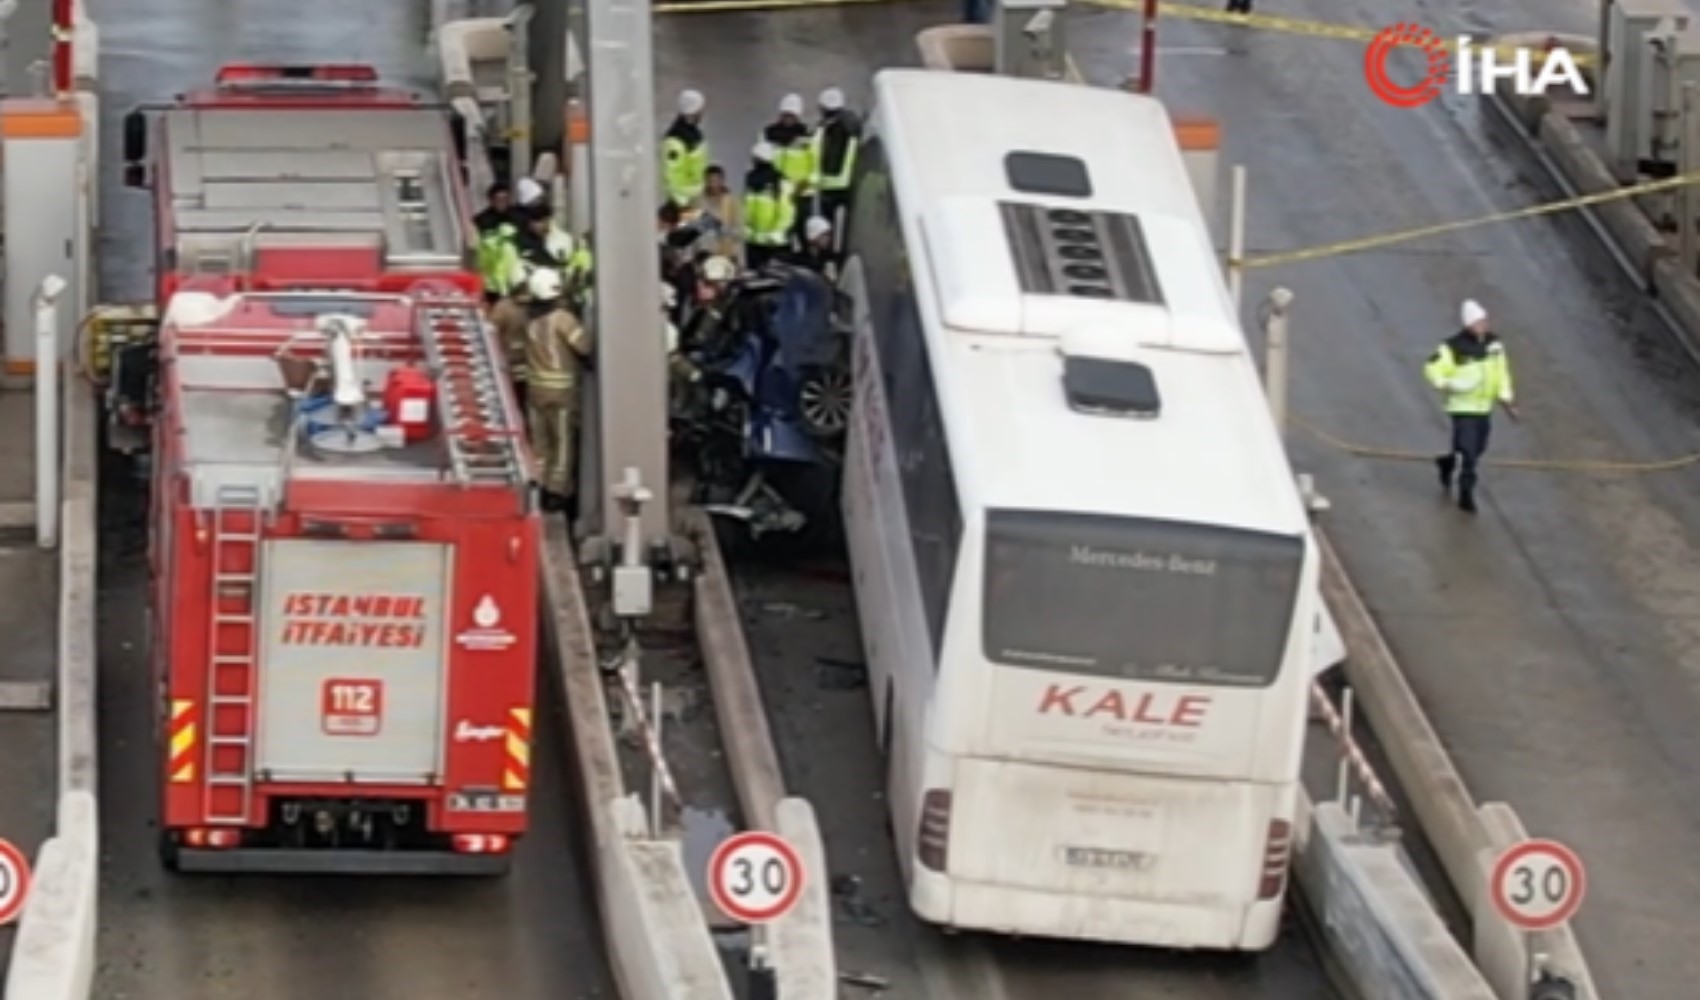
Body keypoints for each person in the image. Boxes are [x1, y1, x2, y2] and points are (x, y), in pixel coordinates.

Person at [1425, 299, 1519, 513]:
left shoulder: (1494, 346)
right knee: (1468, 451)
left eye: (1484, 320)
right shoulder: (1453, 348)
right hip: (1462, 407)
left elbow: (1501, 374)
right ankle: (1466, 492)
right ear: (1468, 324)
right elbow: (1432, 368)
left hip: (1484, 407)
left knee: (1478, 448)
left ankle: (1447, 463)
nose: (1483, 325)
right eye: (1478, 322)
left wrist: (1507, 400)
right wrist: (1447, 384)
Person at [525, 268, 595, 514]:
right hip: (561, 391)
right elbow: (585, 347)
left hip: (535, 391)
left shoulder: (531, 321)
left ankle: (538, 485)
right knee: (562, 443)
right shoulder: (563, 319)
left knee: (539, 442)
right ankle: (557, 492)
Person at [808, 88, 862, 251]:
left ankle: (828, 254)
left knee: (827, 227)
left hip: (830, 184)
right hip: (849, 183)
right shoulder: (854, 127)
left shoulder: (828, 129)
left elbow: (822, 155)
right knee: (849, 227)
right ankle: (843, 253)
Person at [743, 141, 796, 270]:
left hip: (775, 242)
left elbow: (786, 211)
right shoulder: (750, 179)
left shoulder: (780, 181)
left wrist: (777, 232)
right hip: (754, 240)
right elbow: (747, 207)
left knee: (776, 275)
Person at [662, 89, 710, 209]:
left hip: (695, 198)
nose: (702, 113)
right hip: (684, 203)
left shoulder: (695, 134)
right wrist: (681, 203)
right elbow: (672, 175)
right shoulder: (676, 139)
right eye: (700, 109)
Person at [697, 165, 744, 263]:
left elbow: (739, 228)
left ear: (723, 181)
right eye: (710, 181)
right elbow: (693, 230)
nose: (713, 185)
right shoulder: (698, 201)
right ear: (705, 181)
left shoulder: (732, 201)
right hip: (705, 253)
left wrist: (736, 253)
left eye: (717, 181)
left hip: (728, 252)